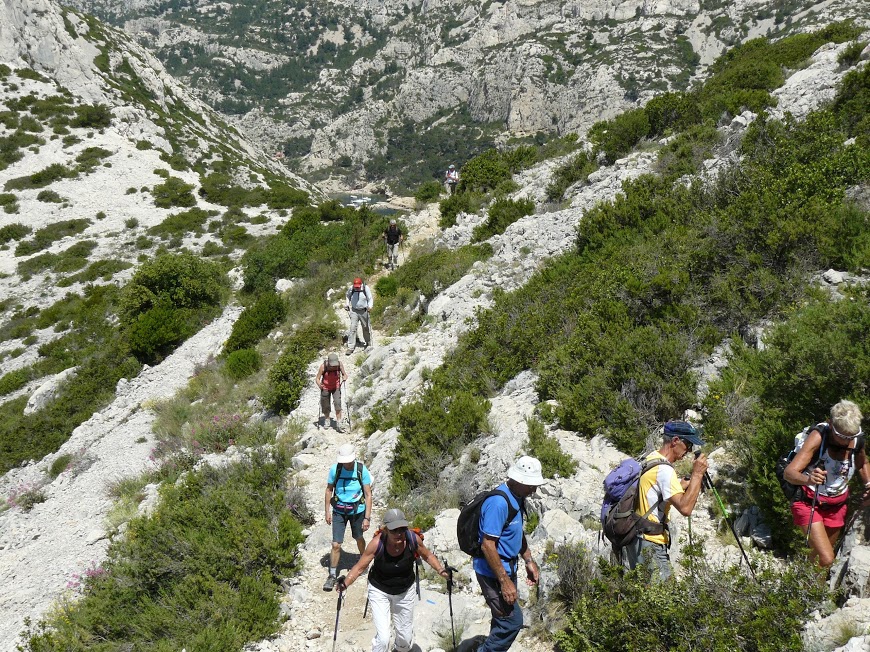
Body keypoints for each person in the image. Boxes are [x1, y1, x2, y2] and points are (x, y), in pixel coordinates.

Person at [338, 509, 449, 652]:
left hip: (405, 590)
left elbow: (427, 556)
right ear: (385, 530)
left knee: (405, 641)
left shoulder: (412, 539)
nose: (399, 534)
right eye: (394, 530)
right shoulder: (377, 543)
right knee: (383, 639)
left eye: (402, 529)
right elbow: (360, 567)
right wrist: (345, 583)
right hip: (379, 590)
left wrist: (441, 570)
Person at [784, 400, 870, 568]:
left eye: (850, 437)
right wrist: (808, 479)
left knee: (822, 561)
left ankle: (809, 588)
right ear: (831, 425)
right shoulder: (818, 437)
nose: (847, 442)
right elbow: (790, 473)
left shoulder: (857, 439)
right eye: (842, 436)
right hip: (809, 502)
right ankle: (802, 585)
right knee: (827, 557)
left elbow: (862, 464)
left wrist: (868, 484)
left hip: (837, 505)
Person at [474, 456, 544, 652]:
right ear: (518, 480)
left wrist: (528, 559)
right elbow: (488, 545)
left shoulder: (517, 498)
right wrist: (505, 582)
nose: (534, 490)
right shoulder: (498, 503)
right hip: (493, 573)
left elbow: (516, 532)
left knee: (502, 618)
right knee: (511, 622)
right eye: (531, 485)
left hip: (506, 567)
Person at [623, 420, 707, 581]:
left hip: (638, 539)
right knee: (665, 598)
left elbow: (654, 492)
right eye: (688, 444)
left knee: (645, 594)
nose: (689, 451)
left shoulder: (652, 458)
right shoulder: (665, 471)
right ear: (675, 441)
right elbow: (685, 509)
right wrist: (697, 474)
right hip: (651, 543)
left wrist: (681, 485)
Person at [324, 443, 373, 591]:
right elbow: (328, 490)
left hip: (357, 511)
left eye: (348, 460)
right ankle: (332, 575)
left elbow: (368, 494)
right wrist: (327, 511)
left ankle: (363, 559)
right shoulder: (335, 469)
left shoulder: (361, 470)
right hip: (339, 511)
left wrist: (367, 518)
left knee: (358, 537)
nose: (346, 463)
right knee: (336, 544)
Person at [315, 352, 349, 431]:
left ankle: (339, 422)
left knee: (337, 402)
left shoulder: (339, 365)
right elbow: (317, 378)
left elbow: (344, 374)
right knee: (325, 405)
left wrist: (344, 377)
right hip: (325, 387)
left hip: (336, 387)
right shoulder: (323, 366)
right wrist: (320, 385)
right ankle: (327, 420)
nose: (333, 366)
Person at [345, 276, 373, 354]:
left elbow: (370, 298)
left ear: (360, 284)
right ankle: (350, 347)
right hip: (354, 310)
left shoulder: (365, 288)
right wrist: (347, 304)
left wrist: (370, 307)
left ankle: (368, 343)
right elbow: (348, 296)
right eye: (355, 287)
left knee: (365, 327)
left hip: (364, 311)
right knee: (353, 327)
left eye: (358, 287)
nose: (356, 288)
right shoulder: (351, 288)